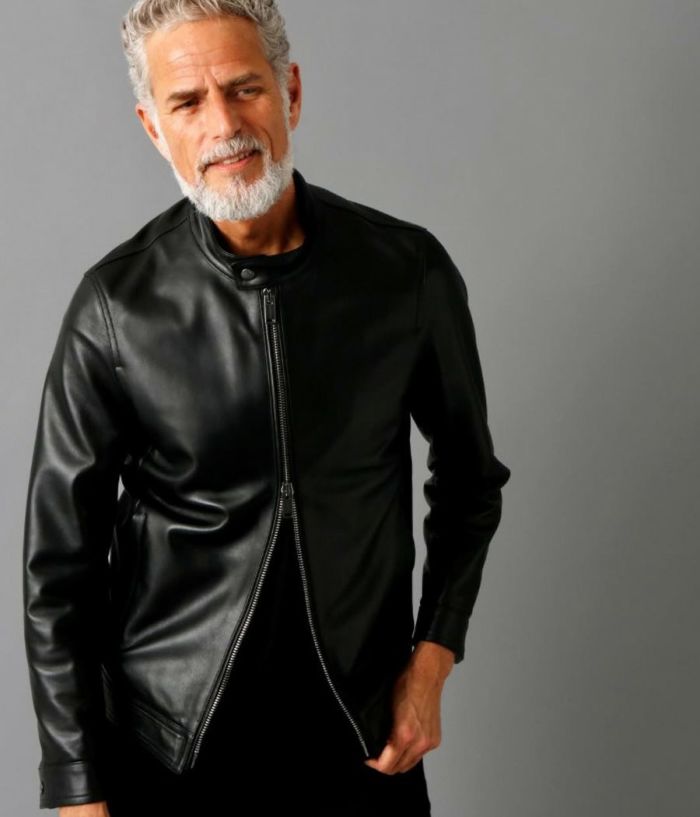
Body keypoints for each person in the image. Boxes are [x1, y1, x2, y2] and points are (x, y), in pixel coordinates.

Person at [21, 1, 511, 815]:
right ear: (153, 127)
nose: (224, 125)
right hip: (169, 753)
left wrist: (431, 662)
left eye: (244, 88)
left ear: (291, 91)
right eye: (187, 101)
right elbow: (58, 570)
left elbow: (470, 481)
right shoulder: (115, 308)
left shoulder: (406, 274)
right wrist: (75, 783)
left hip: (362, 744)